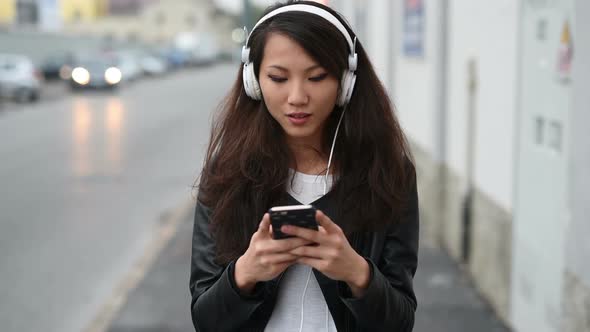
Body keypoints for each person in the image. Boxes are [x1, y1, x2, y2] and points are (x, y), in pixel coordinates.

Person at [189, 1, 419, 331]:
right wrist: (246, 272)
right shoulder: (227, 173)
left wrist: (356, 271)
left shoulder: (388, 173)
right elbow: (206, 320)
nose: (297, 97)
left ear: (347, 81)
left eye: (316, 77)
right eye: (278, 78)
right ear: (254, 80)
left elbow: (399, 322)